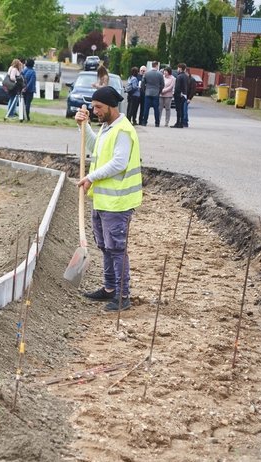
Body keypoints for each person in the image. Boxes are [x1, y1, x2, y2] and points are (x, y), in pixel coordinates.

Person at [74, 86, 142, 312]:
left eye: (98, 107)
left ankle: (123, 295)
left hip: (117, 202)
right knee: (105, 247)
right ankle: (110, 288)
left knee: (116, 249)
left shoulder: (123, 130)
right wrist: (83, 127)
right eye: (93, 107)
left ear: (112, 106)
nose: (95, 111)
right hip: (103, 201)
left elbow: (119, 163)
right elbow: (95, 148)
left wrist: (90, 177)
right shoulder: (107, 128)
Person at [140, 61, 164, 127]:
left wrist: (144, 91)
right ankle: (157, 123)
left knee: (146, 108)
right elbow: (162, 84)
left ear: (152, 65)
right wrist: (159, 91)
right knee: (156, 109)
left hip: (147, 92)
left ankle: (144, 122)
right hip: (156, 93)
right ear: (157, 65)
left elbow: (142, 84)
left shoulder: (147, 74)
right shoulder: (160, 74)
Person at [172, 63, 188, 128]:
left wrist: (175, 94)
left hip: (179, 95)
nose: (177, 69)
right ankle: (181, 123)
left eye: (178, 68)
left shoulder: (179, 76)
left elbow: (177, 87)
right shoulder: (186, 76)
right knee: (182, 109)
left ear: (180, 68)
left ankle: (178, 123)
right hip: (184, 95)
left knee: (178, 110)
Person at [21, 58, 37, 122]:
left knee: (23, 103)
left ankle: (22, 115)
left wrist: (23, 88)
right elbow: (31, 82)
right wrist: (26, 88)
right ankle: (27, 116)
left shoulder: (24, 71)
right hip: (29, 90)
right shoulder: (32, 72)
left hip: (23, 89)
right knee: (28, 104)